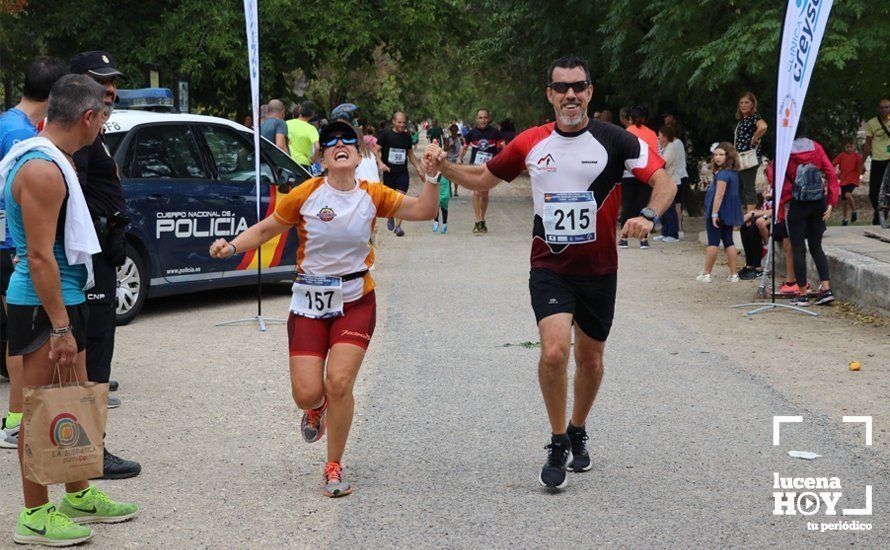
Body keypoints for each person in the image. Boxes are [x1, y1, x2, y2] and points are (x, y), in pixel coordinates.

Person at [424, 55, 675, 490]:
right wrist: (443, 167)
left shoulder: (616, 141)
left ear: (590, 92)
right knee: (555, 352)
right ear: (550, 94)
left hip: (599, 269)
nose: (570, 95)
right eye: (561, 88)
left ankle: (578, 428)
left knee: (590, 360)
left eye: (578, 87)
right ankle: (558, 440)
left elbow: (665, 181)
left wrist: (650, 215)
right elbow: (483, 178)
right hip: (549, 267)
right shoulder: (530, 142)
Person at [209, 120, 440, 497]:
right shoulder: (306, 194)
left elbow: (424, 211)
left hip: (355, 300)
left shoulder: (373, 194)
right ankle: (315, 409)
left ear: (358, 151)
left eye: (348, 139)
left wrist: (431, 178)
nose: (340, 144)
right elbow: (268, 229)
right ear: (323, 157)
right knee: (306, 392)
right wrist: (232, 246)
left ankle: (333, 465)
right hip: (309, 303)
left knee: (339, 383)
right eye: (330, 141)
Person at [0, 74, 138, 547]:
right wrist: (60, 325)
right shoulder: (41, 169)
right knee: (37, 408)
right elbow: (37, 256)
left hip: (66, 296)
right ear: (87, 117)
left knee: (72, 399)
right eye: (104, 116)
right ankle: (34, 514)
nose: (105, 125)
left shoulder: (56, 162)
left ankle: (76, 494)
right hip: (43, 305)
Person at [70, 50, 142, 479]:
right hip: (90, 263)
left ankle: (89, 449)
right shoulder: (76, 139)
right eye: (101, 81)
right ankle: (91, 453)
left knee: (97, 355)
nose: (111, 89)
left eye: (112, 81)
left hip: (101, 259)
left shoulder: (91, 135)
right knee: (94, 356)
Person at [0, 56, 68, 451]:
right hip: (12, 246)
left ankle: (15, 419)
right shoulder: (20, 136)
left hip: (11, 243)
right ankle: (15, 421)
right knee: (22, 338)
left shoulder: (11, 122)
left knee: (18, 333)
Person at [767, 122, 839, 306]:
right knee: (817, 247)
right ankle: (826, 289)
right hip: (818, 202)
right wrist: (831, 201)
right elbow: (831, 172)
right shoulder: (815, 147)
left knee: (798, 249)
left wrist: (783, 202)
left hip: (796, 204)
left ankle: (802, 294)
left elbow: (774, 176)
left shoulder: (783, 151)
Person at [696, 143, 743, 282]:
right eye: (716, 154)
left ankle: (706, 274)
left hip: (719, 212)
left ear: (728, 156)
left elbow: (719, 194)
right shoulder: (733, 173)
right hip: (729, 211)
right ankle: (734, 274)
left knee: (713, 242)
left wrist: (714, 214)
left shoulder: (722, 174)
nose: (717, 157)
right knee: (729, 241)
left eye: (721, 154)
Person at [377, 111, 424, 237]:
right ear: (393, 121)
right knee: (391, 201)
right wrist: (380, 163)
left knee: (401, 200)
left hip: (402, 173)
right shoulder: (385, 135)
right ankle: (390, 216)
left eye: (404, 122)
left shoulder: (407, 137)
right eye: (399, 122)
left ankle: (398, 227)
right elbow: (375, 150)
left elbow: (410, 154)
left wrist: (418, 167)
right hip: (389, 173)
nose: (402, 125)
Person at [618, 105, 658, 249]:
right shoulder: (652, 134)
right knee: (644, 207)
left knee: (627, 206)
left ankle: (623, 238)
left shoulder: (626, 132)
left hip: (628, 174)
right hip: (645, 174)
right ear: (645, 119)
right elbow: (656, 155)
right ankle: (643, 239)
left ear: (630, 119)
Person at [459, 108, 502, 235]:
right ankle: (477, 220)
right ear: (477, 119)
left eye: (485, 117)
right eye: (480, 118)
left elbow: (504, 148)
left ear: (488, 119)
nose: (483, 120)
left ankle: (482, 218)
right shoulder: (472, 133)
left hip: (489, 168)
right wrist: (459, 158)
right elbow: (464, 147)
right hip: (475, 168)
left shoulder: (495, 133)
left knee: (484, 194)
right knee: (476, 193)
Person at [734, 92, 768, 212]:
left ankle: (749, 218)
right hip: (740, 157)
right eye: (741, 103)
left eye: (747, 102)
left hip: (748, 157)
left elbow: (763, 127)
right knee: (738, 187)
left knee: (748, 187)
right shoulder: (743, 119)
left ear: (753, 104)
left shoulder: (754, 117)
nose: (743, 105)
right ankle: (740, 217)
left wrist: (754, 138)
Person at [657, 124, 686, 242]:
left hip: (672, 182)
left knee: (669, 208)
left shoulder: (672, 147)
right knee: (663, 208)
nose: (658, 137)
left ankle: (673, 234)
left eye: (659, 135)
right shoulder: (665, 147)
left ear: (665, 136)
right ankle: (665, 232)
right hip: (665, 181)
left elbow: (663, 162)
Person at [737, 185, 773, 280]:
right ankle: (749, 265)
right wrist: (752, 216)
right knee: (744, 226)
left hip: (774, 219)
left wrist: (753, 214)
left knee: (753, 228)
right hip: (765, 216)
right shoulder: (769, 188)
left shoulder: (780, 186)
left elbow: (777, 209)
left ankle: (758, 267)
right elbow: (764, 208)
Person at [864, 98, 890, 225]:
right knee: (873, 193)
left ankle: (882, 216)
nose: (884, 109)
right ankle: (879, 212)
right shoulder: (871, 123)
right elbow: (868, 144)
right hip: (877, 159)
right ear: (878, 109)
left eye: (887, 107)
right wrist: (861, 162)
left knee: (888, 191)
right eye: (882, 107)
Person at [832, 139, 863, 225]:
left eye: (851, 146)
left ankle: (854, 211)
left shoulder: (857, 156)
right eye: (847, 147)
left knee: (847, 194)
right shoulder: (841, 155)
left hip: (853, 179)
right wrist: (830, 169)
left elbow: (861, 167)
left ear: (854, 147)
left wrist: (861, 170)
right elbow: (833, 163)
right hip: (843, 180)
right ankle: (845, 219)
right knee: (844, 201)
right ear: (844, 147)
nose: (849, 148)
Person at [287, 100, 320, 172]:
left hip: (287, 162)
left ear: (300, 110)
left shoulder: (287, 123)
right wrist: (313, 160)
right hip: (303, 165)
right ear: (312, 114)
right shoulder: (311, 129)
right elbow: (317, 147)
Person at [445, 123, 463, 197]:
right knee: (449, 176)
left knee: (456, 176)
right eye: (452, 130)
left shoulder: (460, 139)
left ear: (457, 130)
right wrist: (451, 146)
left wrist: (460, 157)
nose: (454, 131)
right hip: (449, 159)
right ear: (450, 131)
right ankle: (449, 190)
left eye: (455, 130)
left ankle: (456, 190)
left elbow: (463, 148)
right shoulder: (448, 139)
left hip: (457, 159)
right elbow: (445, 149)